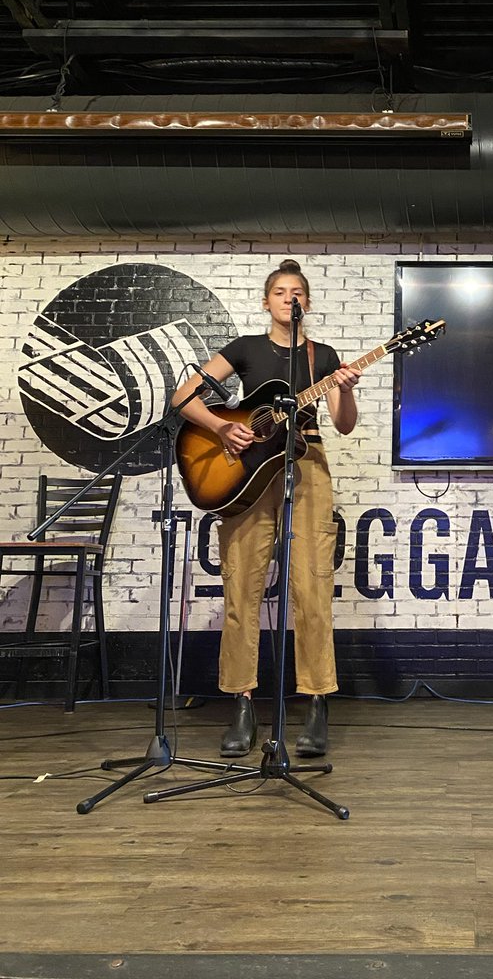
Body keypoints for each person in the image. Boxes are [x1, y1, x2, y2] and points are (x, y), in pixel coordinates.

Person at [172, 259, 360, 759]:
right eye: (279, 291)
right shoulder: (246, 349)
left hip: (308, 462)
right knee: (241, 586)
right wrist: (218, 427)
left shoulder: (325, 355)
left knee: (313, 584)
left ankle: (317, 702)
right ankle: (241, 701)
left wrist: (343, 392)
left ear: (307, 302)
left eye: (296, 292)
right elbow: (181, 397)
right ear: (266, 301)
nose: (288, 298)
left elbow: (343, 424)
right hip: (248, 473)